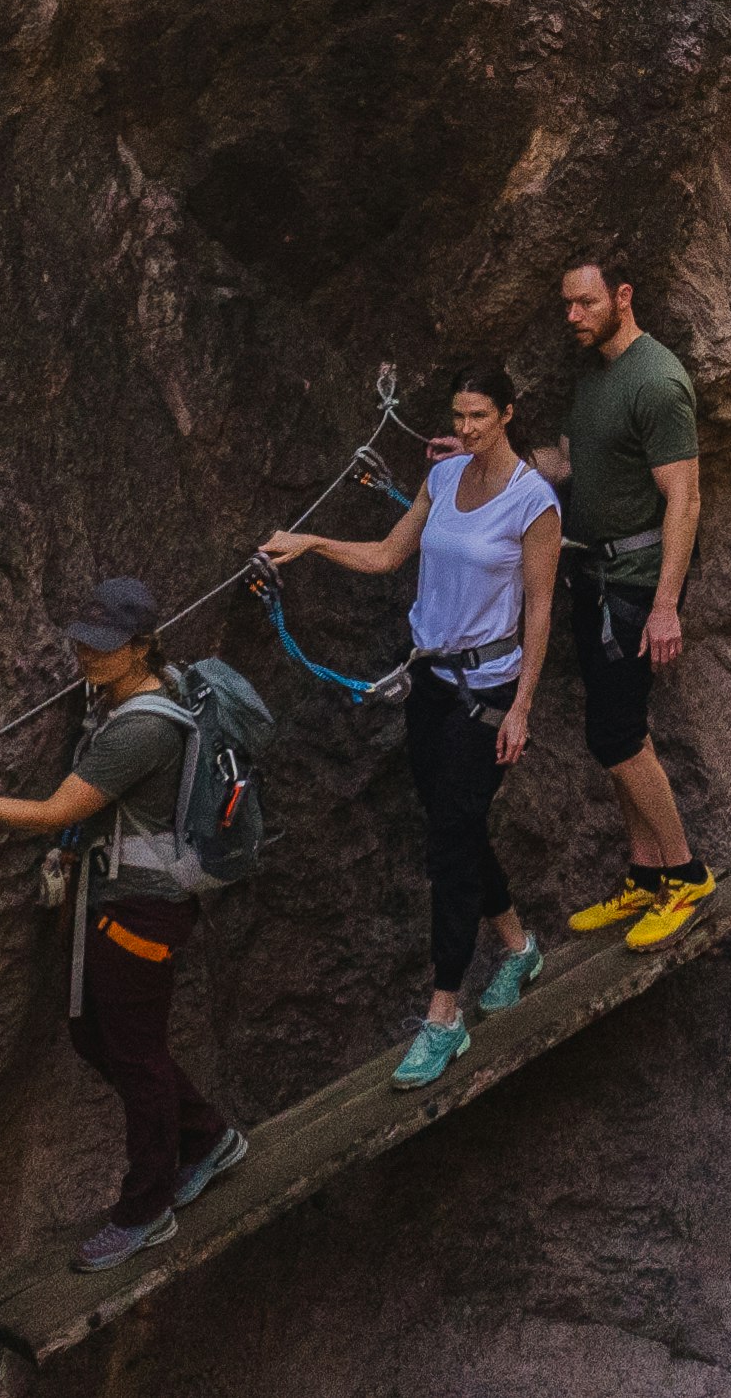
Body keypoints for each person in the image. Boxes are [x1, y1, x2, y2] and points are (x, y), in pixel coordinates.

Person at [0, 577, 247, 1273]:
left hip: (142, 909)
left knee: (135, 1055)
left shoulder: (143, 726)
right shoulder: (125, 695)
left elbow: (56, 810)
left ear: (142, 646)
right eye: (82, 640)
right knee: (94, 1037)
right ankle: (206, 1137)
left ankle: (146, 1210)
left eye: (104, 645)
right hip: (113, 898)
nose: (86, 654)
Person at [259, 365, 560, 1086]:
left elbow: (541, 609)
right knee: (452, 826)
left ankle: (442, 1015)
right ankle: (519, 949)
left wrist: (520, 708)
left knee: (450, 848)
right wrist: (311, 544)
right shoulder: (443, 480)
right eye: (458, 415)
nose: (464, 428)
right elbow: (390, 555)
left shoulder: (533, 501)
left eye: (479, 416)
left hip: (486, 693)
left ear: (508, 414)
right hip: (429, 682)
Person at [541, 258, 712, 947]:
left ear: (622, 297)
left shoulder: (658, 382)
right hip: (592, 577)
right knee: (612, 736)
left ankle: (686, 874)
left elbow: (685, 497)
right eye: (567, 307)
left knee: (617, 736)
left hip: (636, 585)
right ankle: (644, 879)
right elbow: (564, 467)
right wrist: (476, 454)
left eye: (584, 304)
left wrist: (666, 603)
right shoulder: (594, 381)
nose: (572, 317)